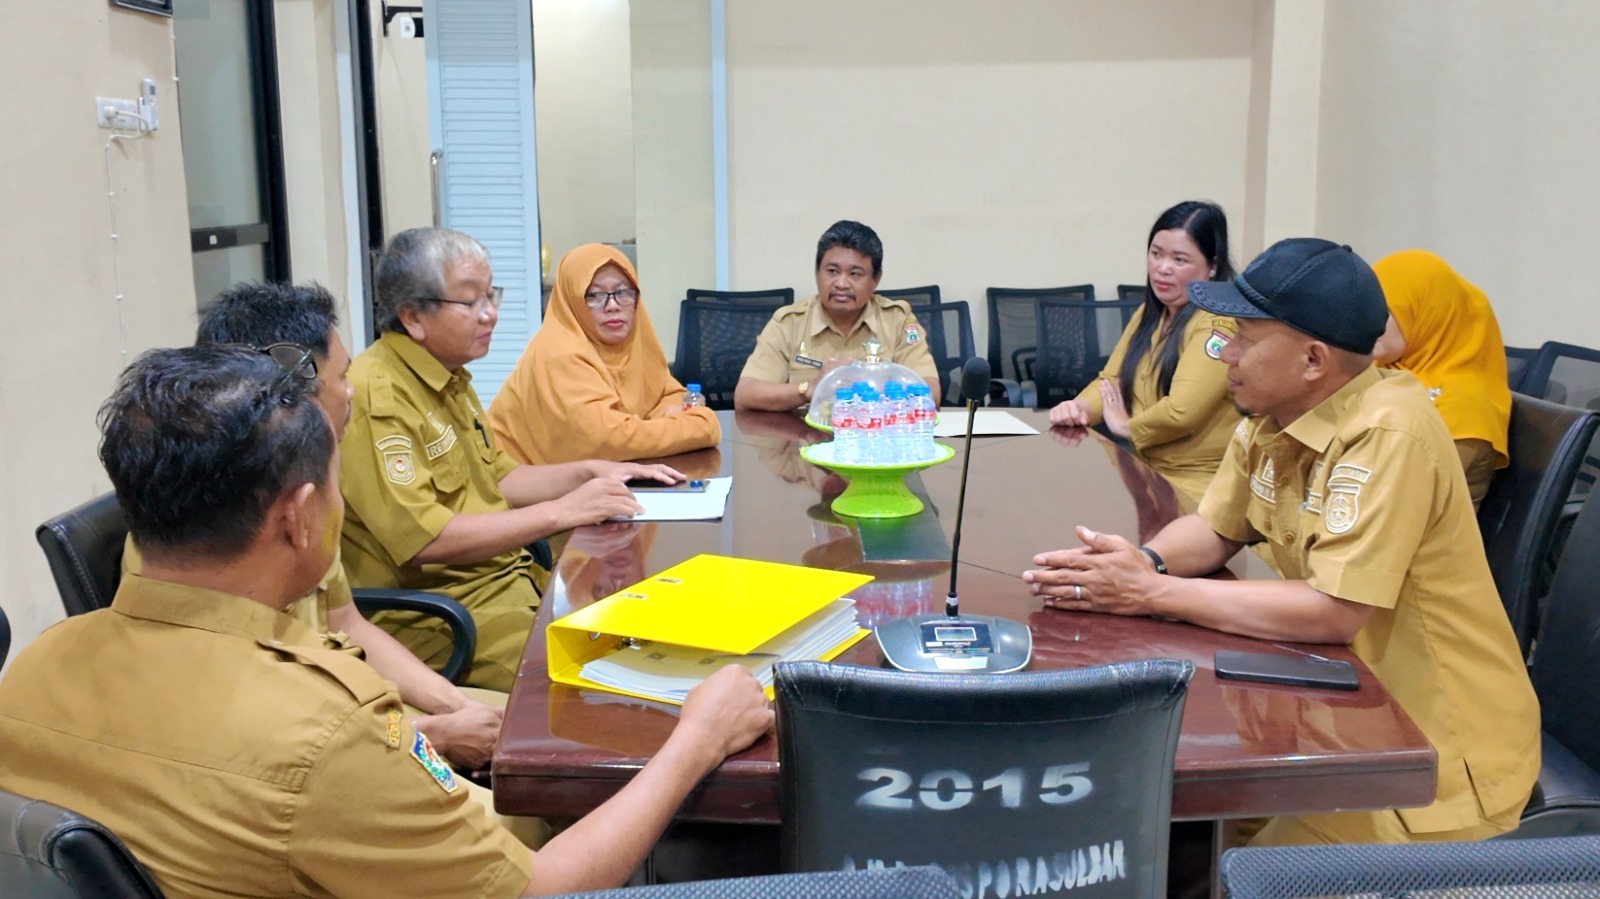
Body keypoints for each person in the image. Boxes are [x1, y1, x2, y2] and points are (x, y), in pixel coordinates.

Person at [0, 345, 772, 898]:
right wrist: (697, 740)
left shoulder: (33, 667)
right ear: (299, 517)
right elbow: (541, 886)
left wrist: (432, 729)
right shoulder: (328, 736)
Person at [1023, 238, 1539, 846]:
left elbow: (1334, 610)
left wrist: (1148, 593)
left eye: (1243, 337)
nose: (1225, 353)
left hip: (1425, 755)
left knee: (1230, 862)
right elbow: (1217, 527)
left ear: (1313, 360)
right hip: (1323, 707)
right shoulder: (1272, 413)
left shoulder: (1388, 433)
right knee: (1156, 820)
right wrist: (1145, 561)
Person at [340, 228, 682, 692]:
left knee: (653, 635)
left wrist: (592, 471)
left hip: (508, 582)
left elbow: (499, 478)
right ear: (413, 316)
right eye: (471, 302)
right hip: (442, 616)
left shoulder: (447, 376)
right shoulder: (378, 395)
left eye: (490, 295)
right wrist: (563, 511)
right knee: (609, 688)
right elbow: (426, 539)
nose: (491, 314)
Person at [1049, 201, 1241, 500]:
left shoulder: (1219, 324)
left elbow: (1181, 413)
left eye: (1179, 259)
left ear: (1212, 267)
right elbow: (1112, 381)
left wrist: (1125, 427)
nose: (1162, 268)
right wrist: (1079, 409)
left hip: (1199, 486)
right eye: (1156, 253)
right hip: (1144, 472)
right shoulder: (1151, 313)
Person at [488, 244, 721, 464]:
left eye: (623, 292)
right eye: (594, 296)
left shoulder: (635, 342)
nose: (613, 305)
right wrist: (700, 425)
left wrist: (667, 414)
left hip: (594, 479)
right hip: (512, 485)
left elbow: (668, 394)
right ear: (572, 301)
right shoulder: (558, 352)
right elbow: (608, 441)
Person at [734, 220, 941, 411]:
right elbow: (745, 394)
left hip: (876, 432)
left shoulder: (897, 320)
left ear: (875, 280)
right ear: (817, 273)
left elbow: (931, 392)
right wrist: (809, 388)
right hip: (803, 435)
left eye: (855, 274)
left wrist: (869, 386)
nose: (841, 284)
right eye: (832, 271)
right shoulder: (789, 322)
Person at [1371, 249, 1510, 505]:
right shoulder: (1385, 370)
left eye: (1384, 311)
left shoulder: (1464, 409)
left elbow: (1393, 500)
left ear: (1427, 316)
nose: (1365, 321)